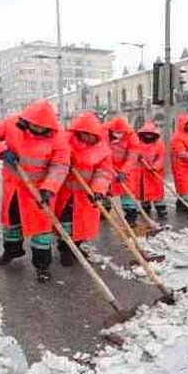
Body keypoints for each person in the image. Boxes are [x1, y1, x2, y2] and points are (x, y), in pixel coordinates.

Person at [0, 99, 70, 282]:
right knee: (12, 222)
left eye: (41, 127)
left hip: (39, 191)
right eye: (33, 125)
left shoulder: (58, 138)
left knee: (41, 228)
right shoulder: (12, 123)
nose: (36, 129)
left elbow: (60, 166)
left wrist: (49, 189)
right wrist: (1, 149)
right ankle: (12, 252)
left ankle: (42, 265)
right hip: (13, 187)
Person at [55, 111, 114, 266]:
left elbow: (104, 171)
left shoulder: (102, 149)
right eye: (86, 134)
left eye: (93, 134)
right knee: (66, 223)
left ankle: (77, 246)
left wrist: (98, 190)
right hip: (65, 193)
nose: (90, 138)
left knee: (83, 224)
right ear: (79, 131)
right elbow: (54, 159)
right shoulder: (64, 142)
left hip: (87, 193)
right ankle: (66, 249)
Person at [106, 116, 140, 227]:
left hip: (124, 166)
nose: (119, 134)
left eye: (121, 132)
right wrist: (107, 165)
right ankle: (104, 210)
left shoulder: (132, 136)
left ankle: (131, 216)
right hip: (107, 164)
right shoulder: (104, 133)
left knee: (126, 189)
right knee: (105, 188)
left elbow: (133, 156)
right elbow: (100, 149)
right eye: (116, 132)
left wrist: (124, 171)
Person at [133, 121, 167, 218]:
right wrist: (137, 157)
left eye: (150, 134)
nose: (148, 136)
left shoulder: (159, 144)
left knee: (157, 192)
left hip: (154, 173)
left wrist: (155, 166)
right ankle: (145, 207)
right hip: (141, 173)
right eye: (146, 134)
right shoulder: (137, 143)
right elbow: (132, 155)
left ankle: (161, 209)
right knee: (143, 192)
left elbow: (161, 158)